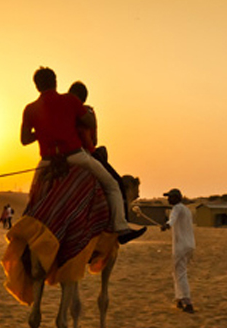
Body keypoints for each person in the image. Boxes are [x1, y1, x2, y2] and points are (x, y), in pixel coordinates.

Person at [20, 66, 145, 244]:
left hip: (47, 161)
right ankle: (120, 227)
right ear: (55, 82)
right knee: (112, 185)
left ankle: (26, 228)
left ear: (36, 86)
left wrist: (41, 130)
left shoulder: (30, 109)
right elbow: (89, 122)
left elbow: (24, 139)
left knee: (33, 196)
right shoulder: (70, 101)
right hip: (75, 156)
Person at [67, 81, 130, 220]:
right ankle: (121, 223)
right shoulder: (87, 112)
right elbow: (93, 141)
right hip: (85, 155)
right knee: (115, 184)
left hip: (60, 156)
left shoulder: (62, 114)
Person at [160, 188, 196, 313]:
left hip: (181, 246)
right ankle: (179, 299)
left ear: (176, 198)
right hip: (190, 245)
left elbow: (172, 219)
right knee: (177, 271)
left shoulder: (177, 208)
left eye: (170, 197)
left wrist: (167, 225)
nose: (168, 199)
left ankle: (187, 302)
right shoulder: (187, 210)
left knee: (180, 273)